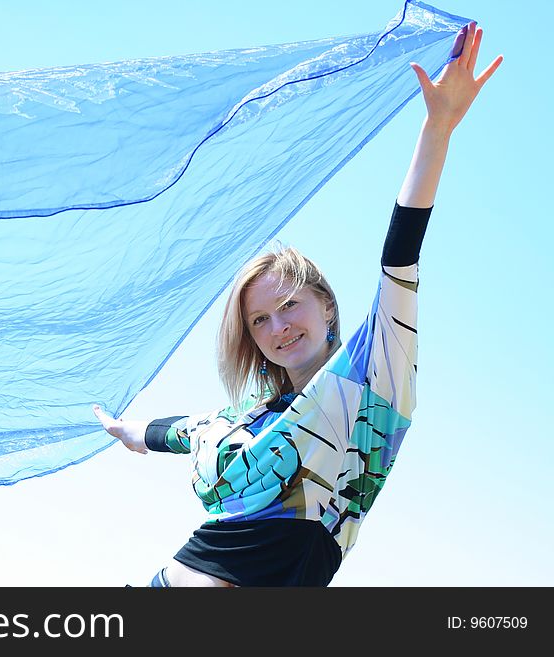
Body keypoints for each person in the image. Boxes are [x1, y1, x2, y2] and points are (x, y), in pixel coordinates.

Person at [92, 22, 502, 587]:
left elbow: (400, 256)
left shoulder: (373, 376)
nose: (278, 326)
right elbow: (172, 432)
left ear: (327, 307)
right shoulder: (243, 419)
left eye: (289, 305)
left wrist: (438, 128)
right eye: (259, 320)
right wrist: (123, 429)